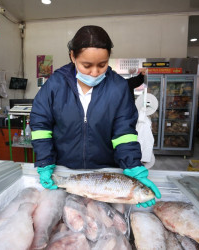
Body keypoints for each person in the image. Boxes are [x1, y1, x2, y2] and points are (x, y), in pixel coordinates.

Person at [30, 25, 161, 207]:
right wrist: (44, 160)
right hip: (65, 171)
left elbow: (124, 133)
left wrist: (132, 165)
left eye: (102, 65)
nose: (95, 72)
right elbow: (40, 126)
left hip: (106, 175)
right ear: (72, 56)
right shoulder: (55, 85)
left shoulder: (118, 88)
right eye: (87, 65)